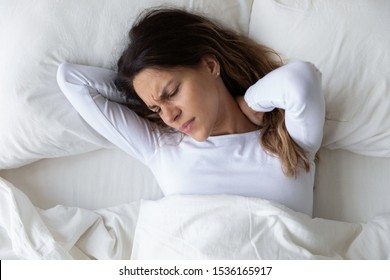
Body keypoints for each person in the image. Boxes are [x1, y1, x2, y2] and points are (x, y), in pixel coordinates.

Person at [57, 8, 325, 216]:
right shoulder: (160, 148)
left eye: (171, 93)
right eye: (156, 108)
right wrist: (139, 97)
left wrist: (252, 102)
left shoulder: (291, 140)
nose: (169, 116)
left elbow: (302, 79)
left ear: (210, 65)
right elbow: (71, 79)